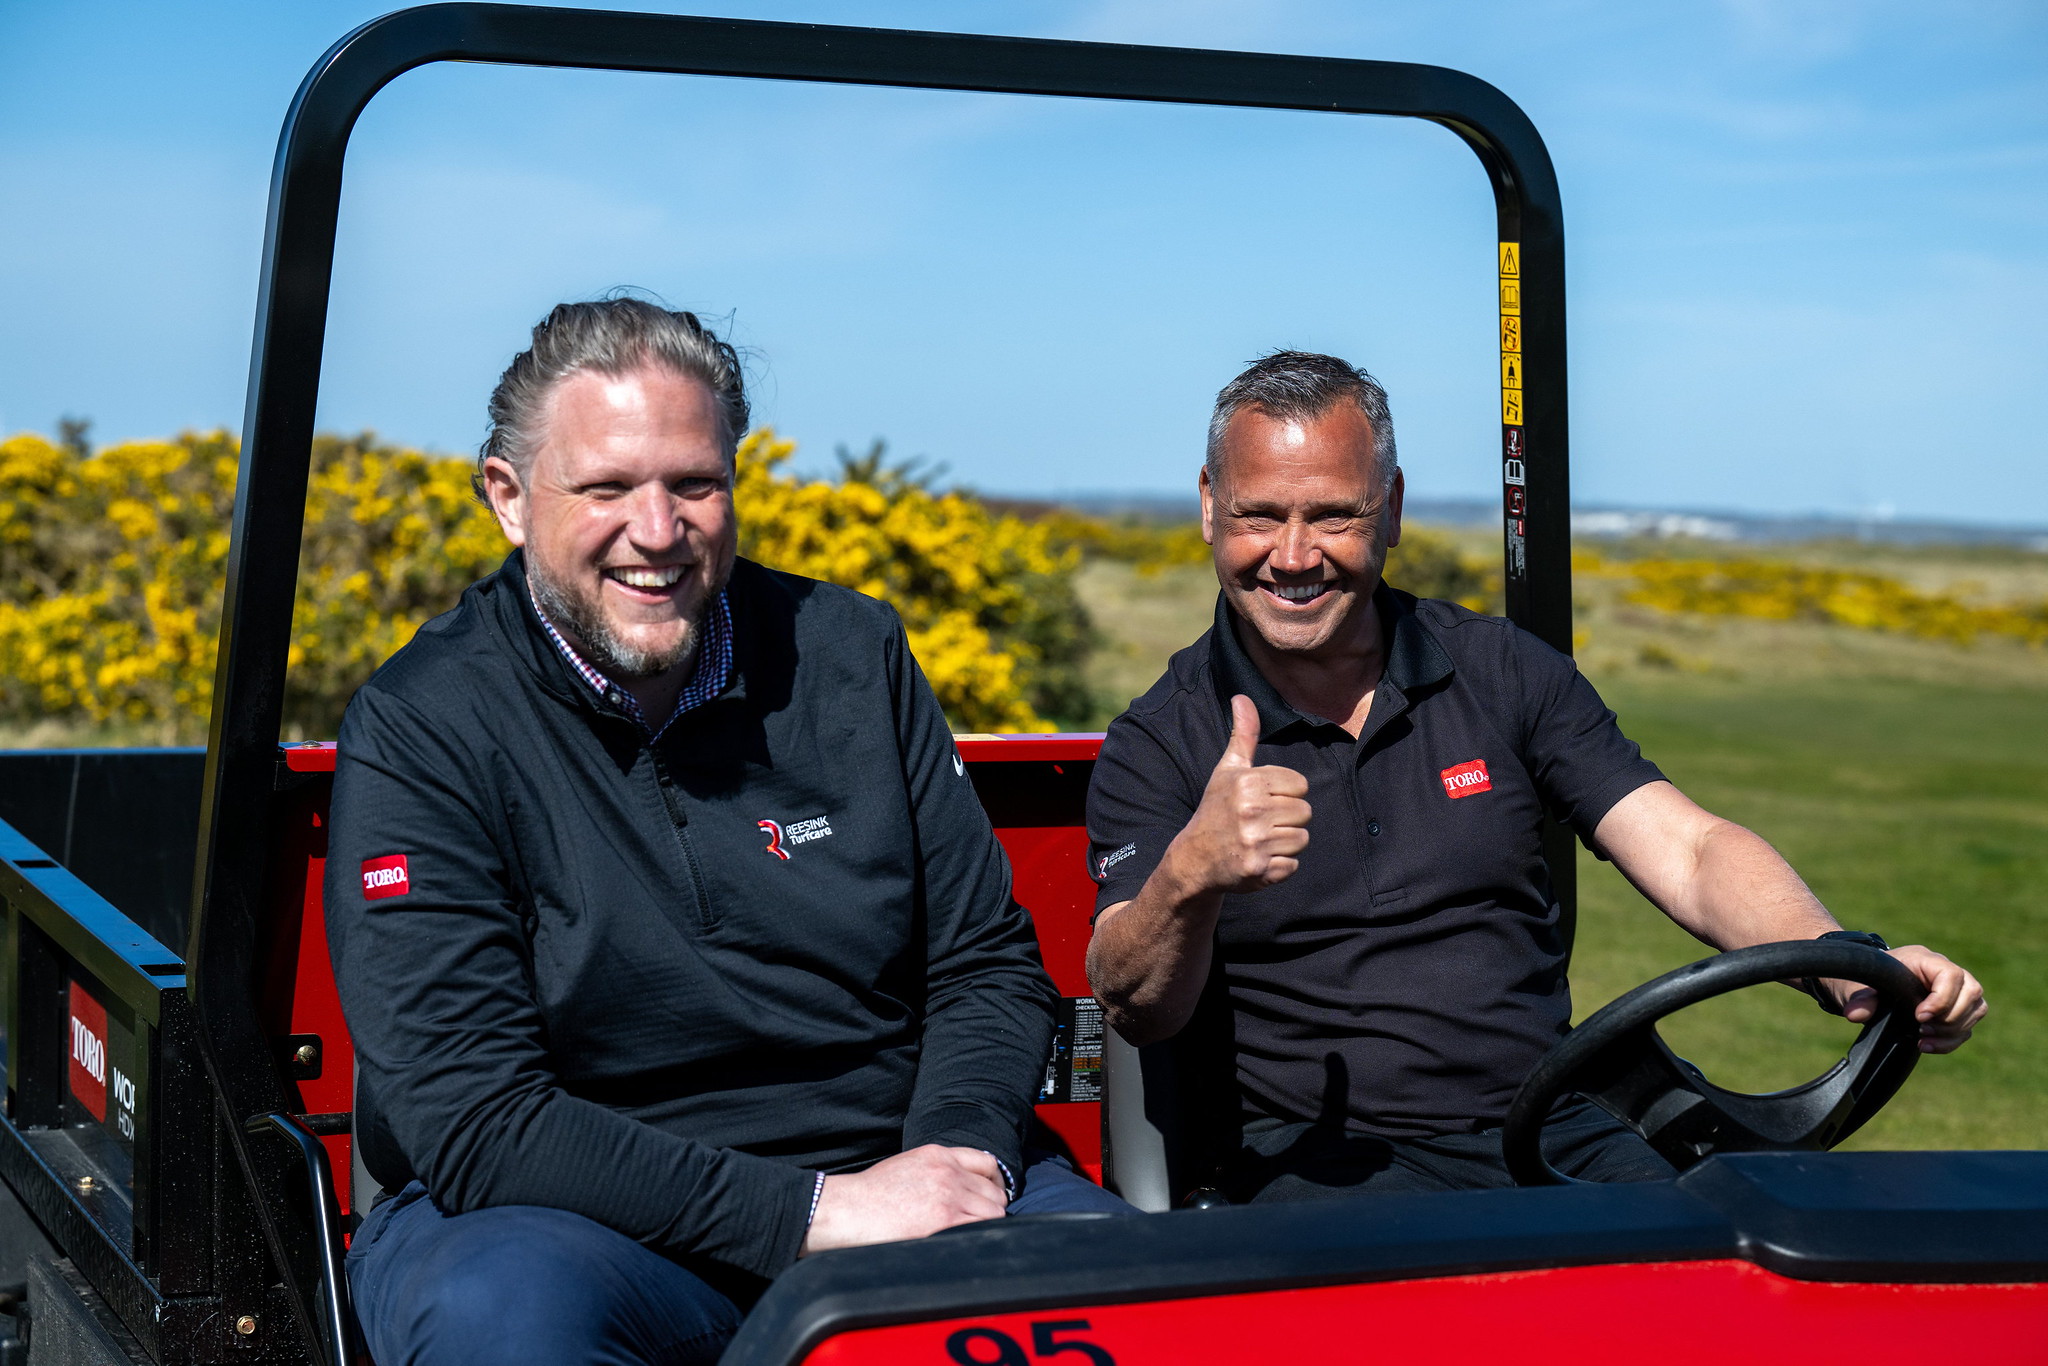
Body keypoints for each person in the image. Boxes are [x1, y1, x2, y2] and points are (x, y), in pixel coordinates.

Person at [326, 298, 1128, 1366]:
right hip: (574, 1226)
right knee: (500, 1319)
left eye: (693, 484)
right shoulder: (424, 723)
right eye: (606, 488)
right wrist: (811, 1216)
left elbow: (983, 962)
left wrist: (955, 1158)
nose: (656, 532)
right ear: (509, 498)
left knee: (1143, 1303)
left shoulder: (845, 652)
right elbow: (478, 1122)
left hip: (896, 1172)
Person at [1084, 350, 1988, 1203]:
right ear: (1210, 507)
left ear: (1390, 509)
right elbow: (1134, 1004)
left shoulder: (1502, 672)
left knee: (1726, 1275)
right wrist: (1189, 878)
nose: (1292, 555)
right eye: (1258, 515)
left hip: (1545, 1125)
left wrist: (1850, 966)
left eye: (1333, 516)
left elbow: (1690, 848)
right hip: (1317, 1166)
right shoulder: (1161, 740)